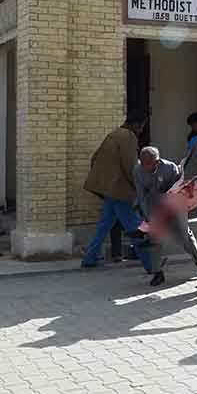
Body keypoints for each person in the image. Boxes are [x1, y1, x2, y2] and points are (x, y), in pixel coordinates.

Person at [81, 111, 155, 273]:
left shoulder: (113, 134)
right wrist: (140, 188)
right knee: (135, 227)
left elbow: (94, 158)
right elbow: (131, 168)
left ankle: (90, 258)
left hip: (108, 189)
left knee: (104, 225)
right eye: (141, 126)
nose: (141, 130)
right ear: (136, 125)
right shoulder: (128, 137)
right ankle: (152, 264)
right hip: (120, 191)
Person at [132, 146, 197, 286]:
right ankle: (158, 273)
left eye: (149, 164)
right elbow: (141, 196)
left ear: (157, 161)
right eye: (143, 163)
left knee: (185, 235)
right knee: (155, 240)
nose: (145, 167)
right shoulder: (137, 171)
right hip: (154, 207)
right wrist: (149, 217)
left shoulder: (170, 168)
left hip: (176, 206)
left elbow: (181, 190)